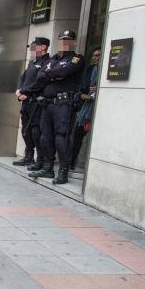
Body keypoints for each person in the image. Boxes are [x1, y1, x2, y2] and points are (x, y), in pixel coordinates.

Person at [29, 30, 84, 185]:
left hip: (64, 105)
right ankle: (47, 168)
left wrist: (50, 73)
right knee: (45, 138)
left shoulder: (76, 58)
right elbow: (40, 76)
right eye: (62, 40)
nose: (65, 43)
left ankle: (63, 171)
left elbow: (64, 71)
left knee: (61, 138)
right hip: (48, 104)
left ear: (73, 42)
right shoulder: (52, 59)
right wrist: (53, 74)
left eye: (68, 40)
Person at [13, 38, 50, 168]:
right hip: (26, 101)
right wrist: (19, 90)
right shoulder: (32, 63)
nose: (31, 49)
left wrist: (24, 91)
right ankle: (28, 156)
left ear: (43, 47)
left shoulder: (47, 62)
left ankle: (39, 159)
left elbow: (39, 82)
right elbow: (22, 77)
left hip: (36, 102)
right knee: (25, 129)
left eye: (34, 46)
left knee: (36, 131)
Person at [71, 46, 100, 170]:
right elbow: (80, 90)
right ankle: (71, 163)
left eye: (98, 55)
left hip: (98, 109)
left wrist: (100, 88)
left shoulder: (105, 72)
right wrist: (83, 96)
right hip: (85, 109)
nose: (94, 58)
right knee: (77, 135)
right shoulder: (90, 70)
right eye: (94, 55)